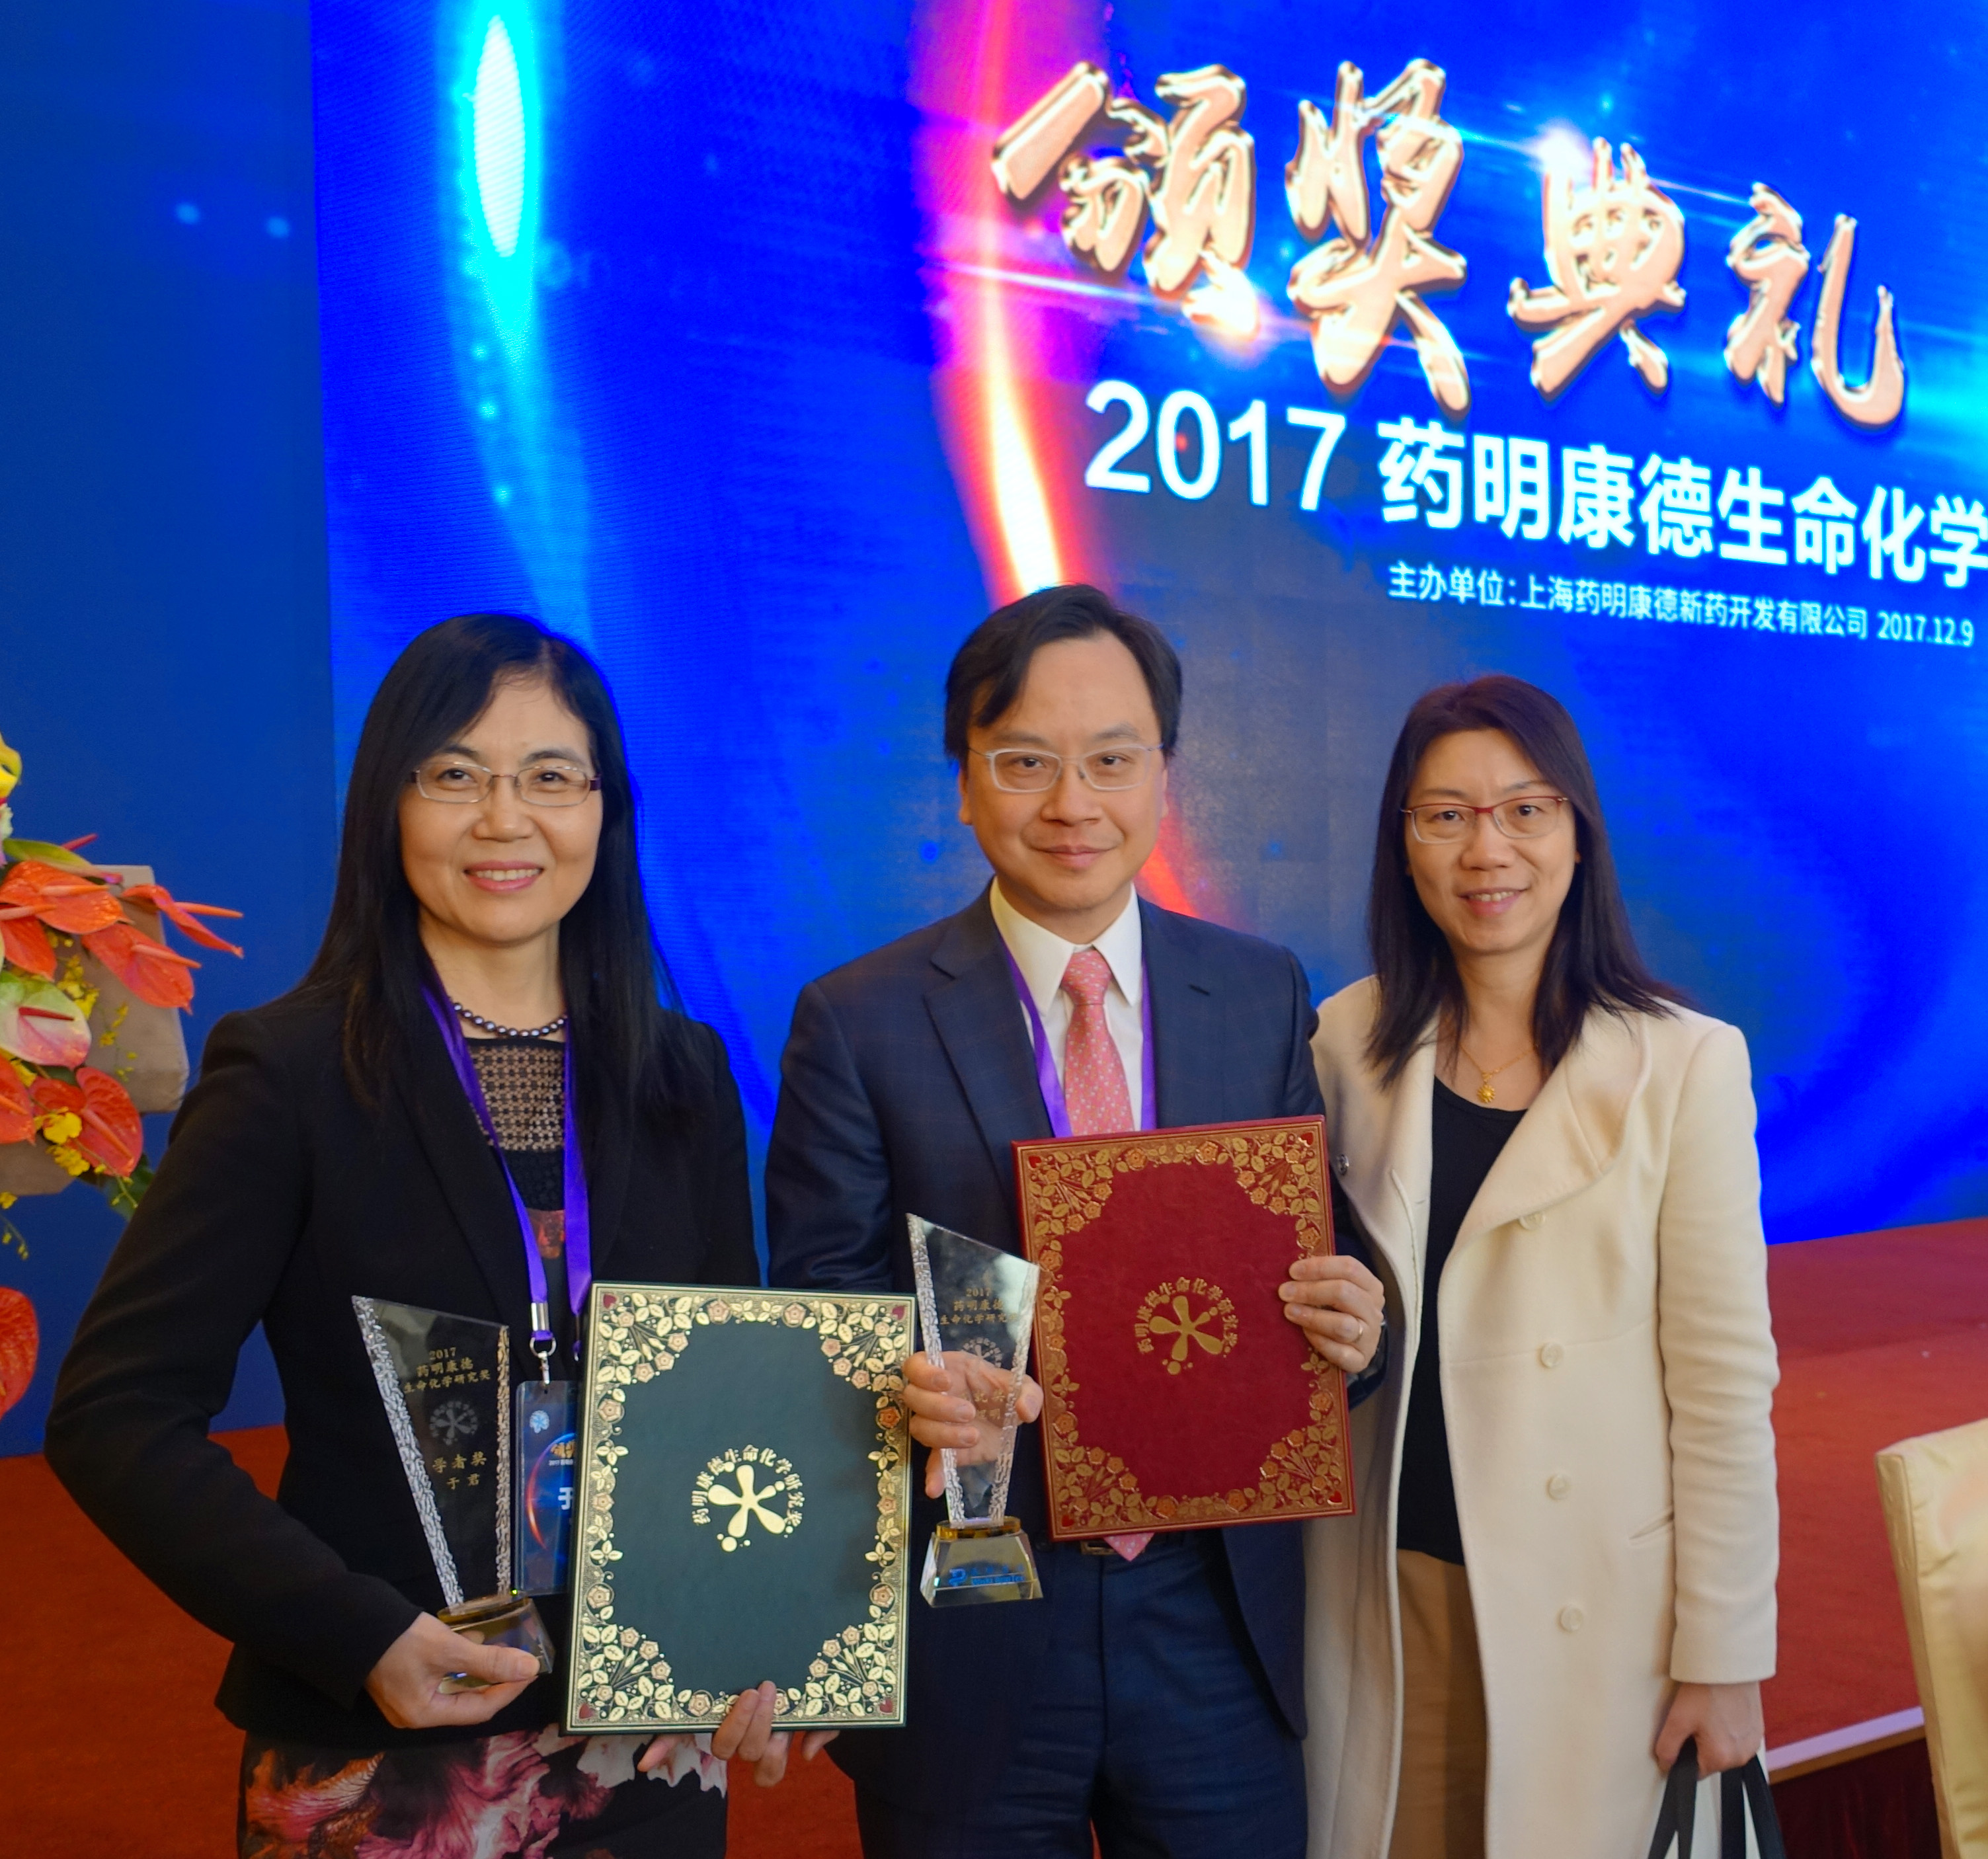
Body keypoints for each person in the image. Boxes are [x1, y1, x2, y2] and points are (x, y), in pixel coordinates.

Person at [46, 613, 819, 1858]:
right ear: (388, 806)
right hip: (381, 1757)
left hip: (647, 1755)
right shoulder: (288, 1072)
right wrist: (358, 1636)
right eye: (454, 774)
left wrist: (772, 1636)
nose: (505, 820)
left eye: (550, 779)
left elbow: (733, 1400)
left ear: (606, 813)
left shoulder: (683, 1076)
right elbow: (113, 1415)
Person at [765, 583, 1386, 1858]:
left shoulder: (1255, 991)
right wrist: (903, 1387)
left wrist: (1361, 1323)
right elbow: (821, 1316)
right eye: (1026, 762)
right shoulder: (860, 1019)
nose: (1072, 803)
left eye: (1112, 759)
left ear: (1164, 772)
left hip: (1214, 1617)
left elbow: (1319, 1258)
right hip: (978, 1617)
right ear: (966, 783)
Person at [1300, 675, 1779, 1858]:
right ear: (1403, 844)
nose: (1486, 849)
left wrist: (1726, 1657)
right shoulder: (1341, 1044)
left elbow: (1723, 1389)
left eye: (1526, 809)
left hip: (1593, 1614)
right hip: (1388, 1595)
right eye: (1445, 814)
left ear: (1578, 835)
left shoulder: (1684, 1065)